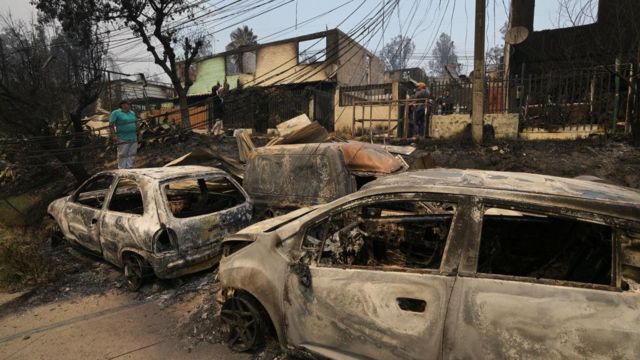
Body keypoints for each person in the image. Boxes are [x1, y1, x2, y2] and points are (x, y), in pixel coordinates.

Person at [109, 100, 138, 169]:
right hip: (122, 137)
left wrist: (137, 130)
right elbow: (111, 125)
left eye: (129, 104)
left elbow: (136, 122)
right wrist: (113, 135)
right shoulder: (116, 113)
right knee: (122, 153)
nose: (129, 106)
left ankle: (129, 167)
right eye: (127, 104)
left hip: (133, 136)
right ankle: (122, 169)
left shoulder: (132, 113)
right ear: (123, 105)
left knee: (132, 153)